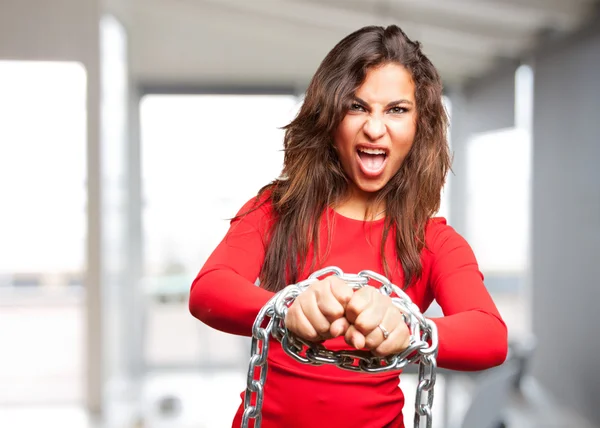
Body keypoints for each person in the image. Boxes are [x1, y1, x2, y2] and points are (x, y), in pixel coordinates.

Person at [189, 24, 508, 428]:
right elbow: (208, 290)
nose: (375, 129)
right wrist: (286, 310)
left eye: (397, 109)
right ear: (329, 116)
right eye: (357, 106)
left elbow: (490, 337)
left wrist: (409, 328)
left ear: (419, 126)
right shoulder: (276, 209)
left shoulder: (433, 242)